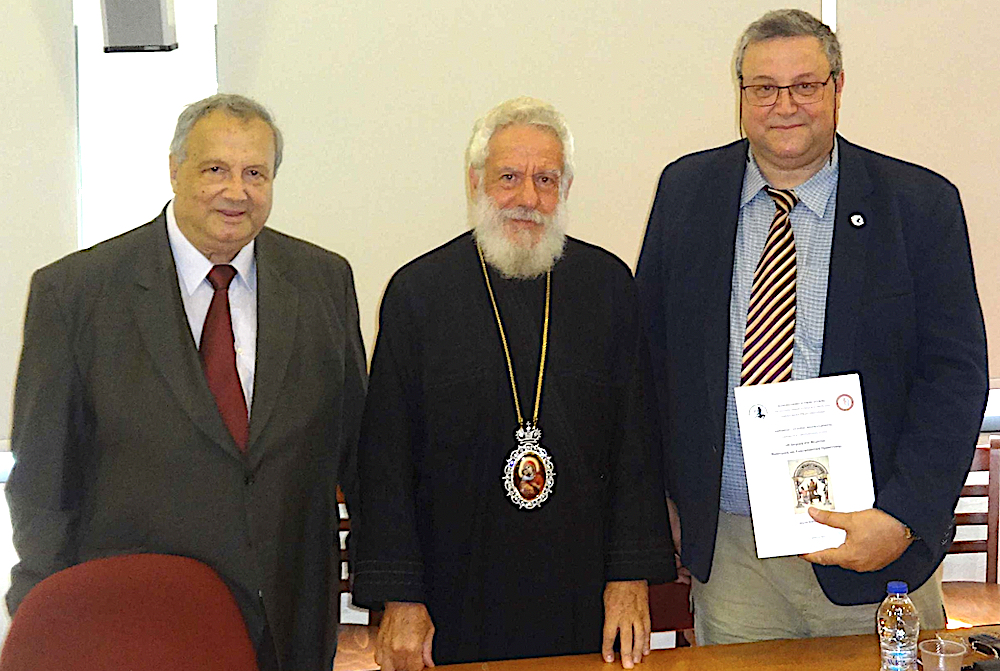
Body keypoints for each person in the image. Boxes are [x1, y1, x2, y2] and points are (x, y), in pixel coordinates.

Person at [635, 9, 988, 645]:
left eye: (804, 85)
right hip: (735, 552)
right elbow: (650, 362)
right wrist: (661, 498)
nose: (784, 105)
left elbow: (955, 378)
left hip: (875, 548)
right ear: (741, 95)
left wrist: (904, 518)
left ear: (837, 88)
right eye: (764, 87)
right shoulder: (686, 193)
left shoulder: (918, 205)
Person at [5, 93, 367, 671]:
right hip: (140, 626)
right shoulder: (76, 293)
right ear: (174, 170)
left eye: (255, 173)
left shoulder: (323, 281)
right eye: (215, 169)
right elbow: (42, 480)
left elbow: (357, 450)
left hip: (291, 624)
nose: (236, 191)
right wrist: (45, 617)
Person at [353, 96, 674, 670]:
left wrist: (629, 578)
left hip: (581, 588)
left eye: (545, 179)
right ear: (475, 182)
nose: (528, 197)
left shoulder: (608, 287)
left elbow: (636, 446)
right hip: (454, 591)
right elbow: (386, 460)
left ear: (565, 189)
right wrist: (400, 598)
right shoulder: (418, 293)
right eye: (509, 177)